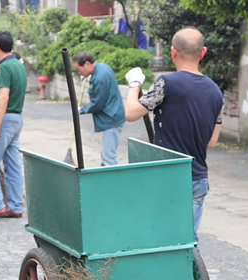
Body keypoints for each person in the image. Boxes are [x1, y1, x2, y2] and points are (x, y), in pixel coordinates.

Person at [123, 27, 223, 244]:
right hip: (198, 178)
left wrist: (134, 84)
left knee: (162, 241)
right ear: (203, 52)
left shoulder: (167, 83)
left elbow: (131, 113)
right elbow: (212, 142)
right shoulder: (216, 91)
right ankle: (194, 278)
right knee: (187, 241)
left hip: (167, 178)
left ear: (172, 52)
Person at [0, 31, 26, 219]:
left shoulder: (5, 68)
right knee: (13, 165)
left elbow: (4, 97)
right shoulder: (18, 65)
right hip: (17, 118)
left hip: (4, 119)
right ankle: (15, 205)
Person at [74, 52, 126, 166]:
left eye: (79, 69)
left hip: (111, 118)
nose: (79, 72)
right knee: (107, 154)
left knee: (109, 158)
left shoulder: (99, 78)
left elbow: (98, 103)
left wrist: (81, 110)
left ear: (87, 64)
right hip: (114, 114)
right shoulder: (103, 68)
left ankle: (114, 182)